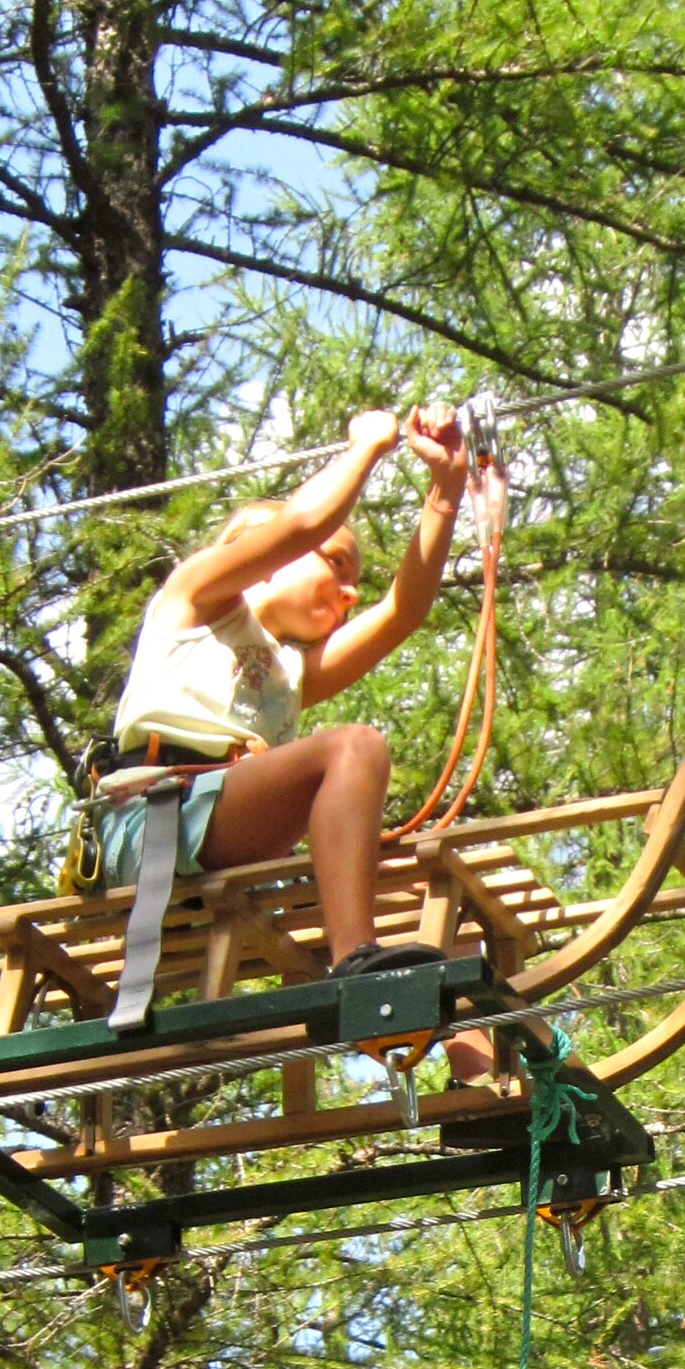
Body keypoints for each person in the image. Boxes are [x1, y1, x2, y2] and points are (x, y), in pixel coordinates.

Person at [97, 401, 476, 993]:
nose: (351, 593)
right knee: (354, 747)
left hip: (221, 829)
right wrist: (364, 449)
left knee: (437, 907)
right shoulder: (194, 600)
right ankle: (357, 963)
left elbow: (403, 611)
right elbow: (303, 524)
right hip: (156, 821)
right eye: (337, 564)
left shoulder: (291, 671)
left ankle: (493, 1069)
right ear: (258, 554)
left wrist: (445, 494)